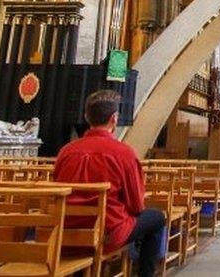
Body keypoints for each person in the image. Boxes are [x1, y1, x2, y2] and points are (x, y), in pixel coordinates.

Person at [54, 90, 166, 277]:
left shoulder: (66, 151)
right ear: (114, 119)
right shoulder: (124, 153)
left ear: (86, 117)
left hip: (63, 232)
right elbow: (137, 205)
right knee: (156, 218)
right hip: (106, 234)